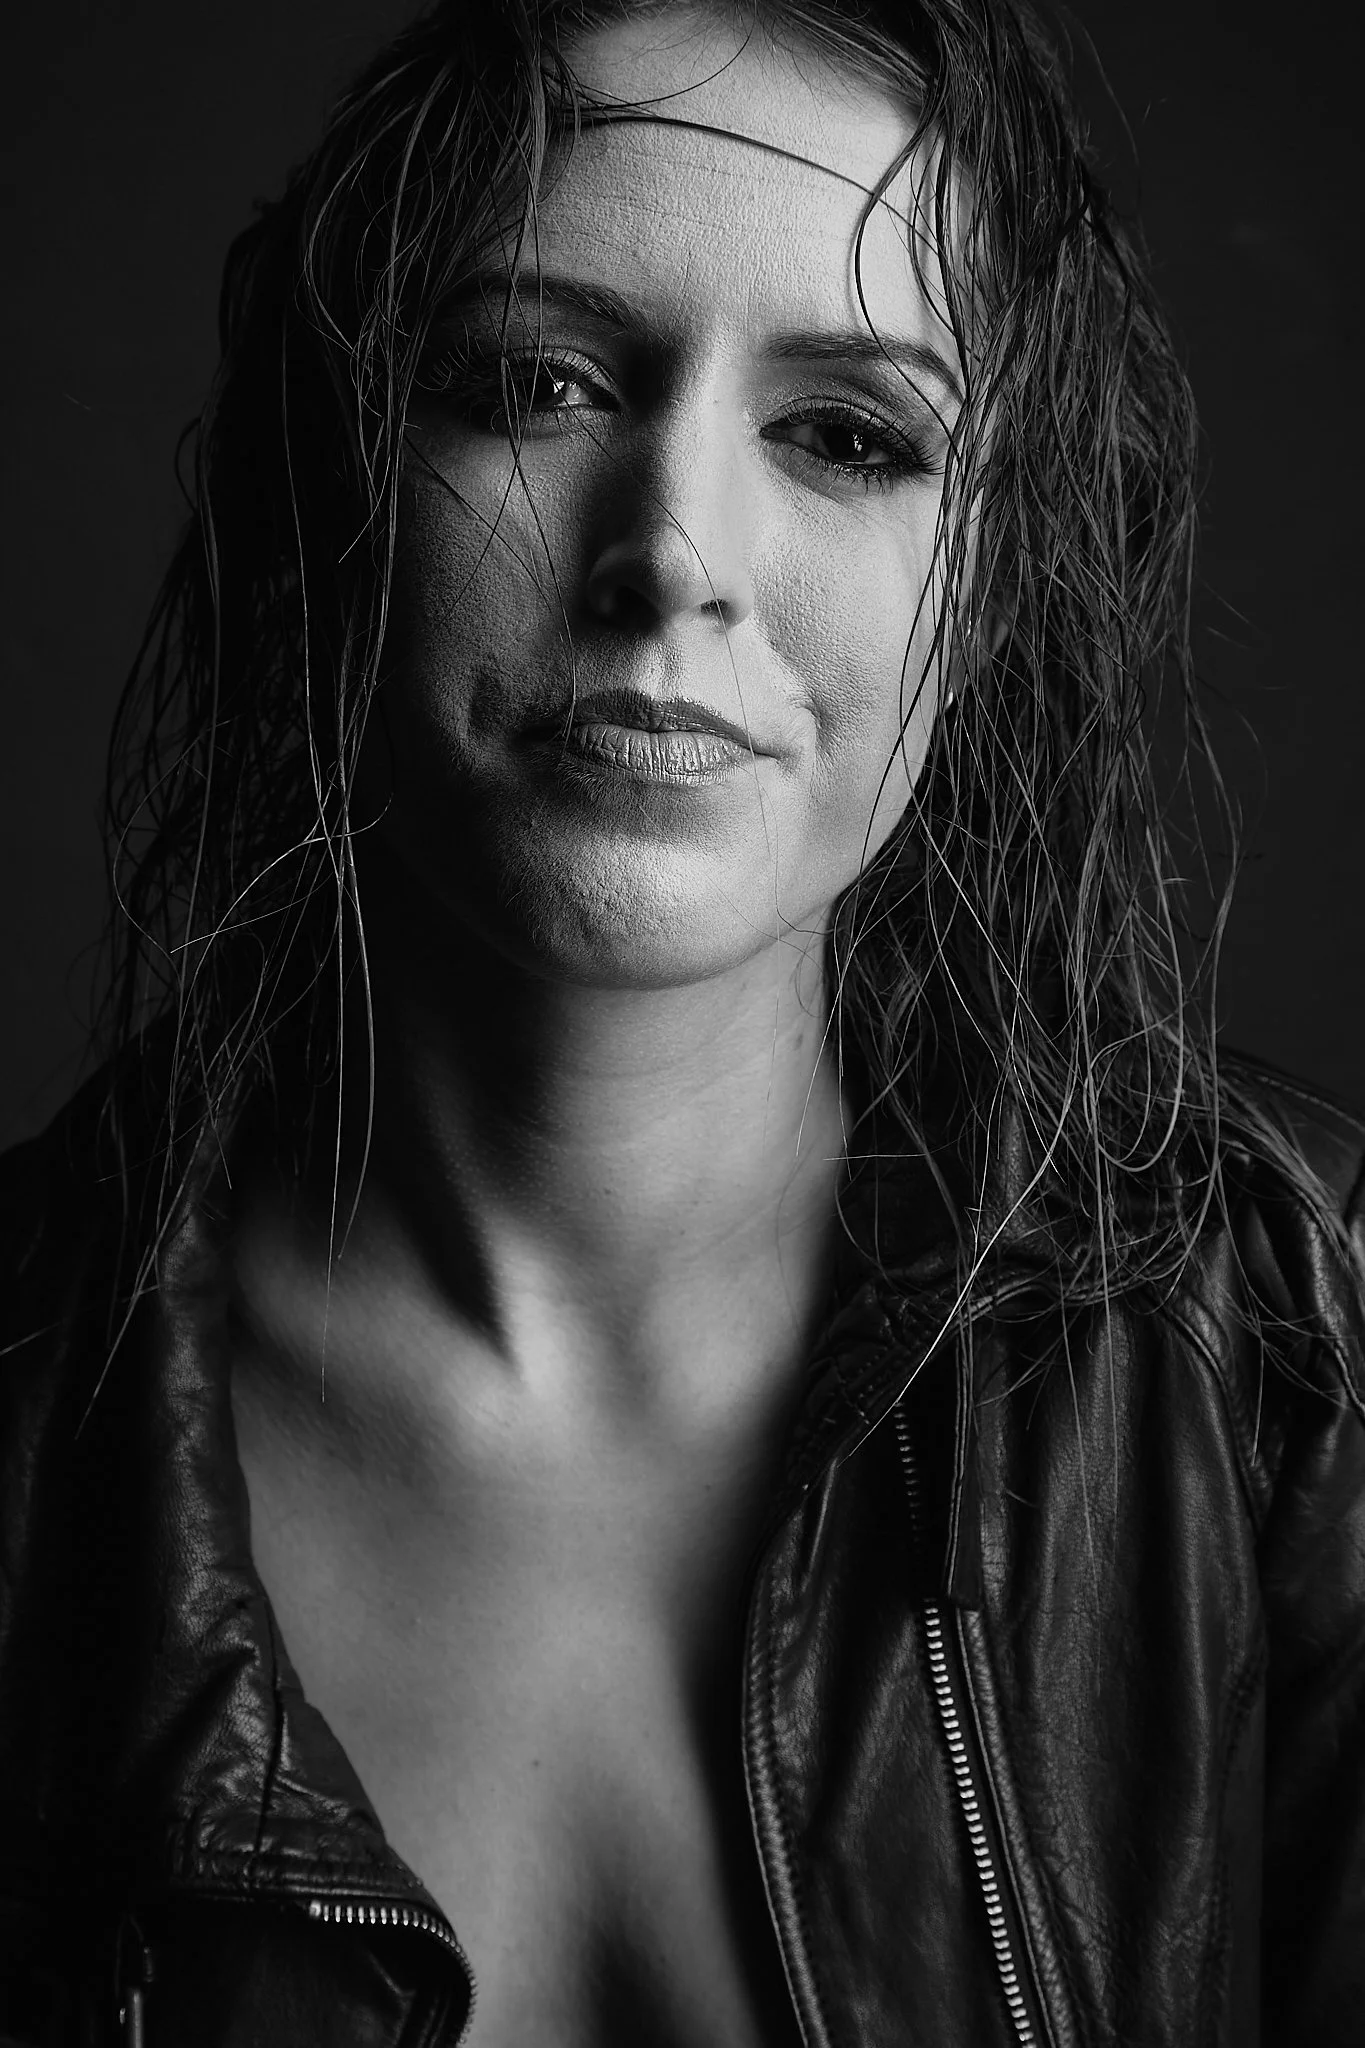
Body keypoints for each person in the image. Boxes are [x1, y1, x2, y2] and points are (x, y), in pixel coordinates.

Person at [1, 0, 1362, 2041]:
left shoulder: (1296, 1354)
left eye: (849, 434)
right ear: (341, 478)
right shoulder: (27, 1417)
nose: (671, 559)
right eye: (533, 383)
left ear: (981, 589)